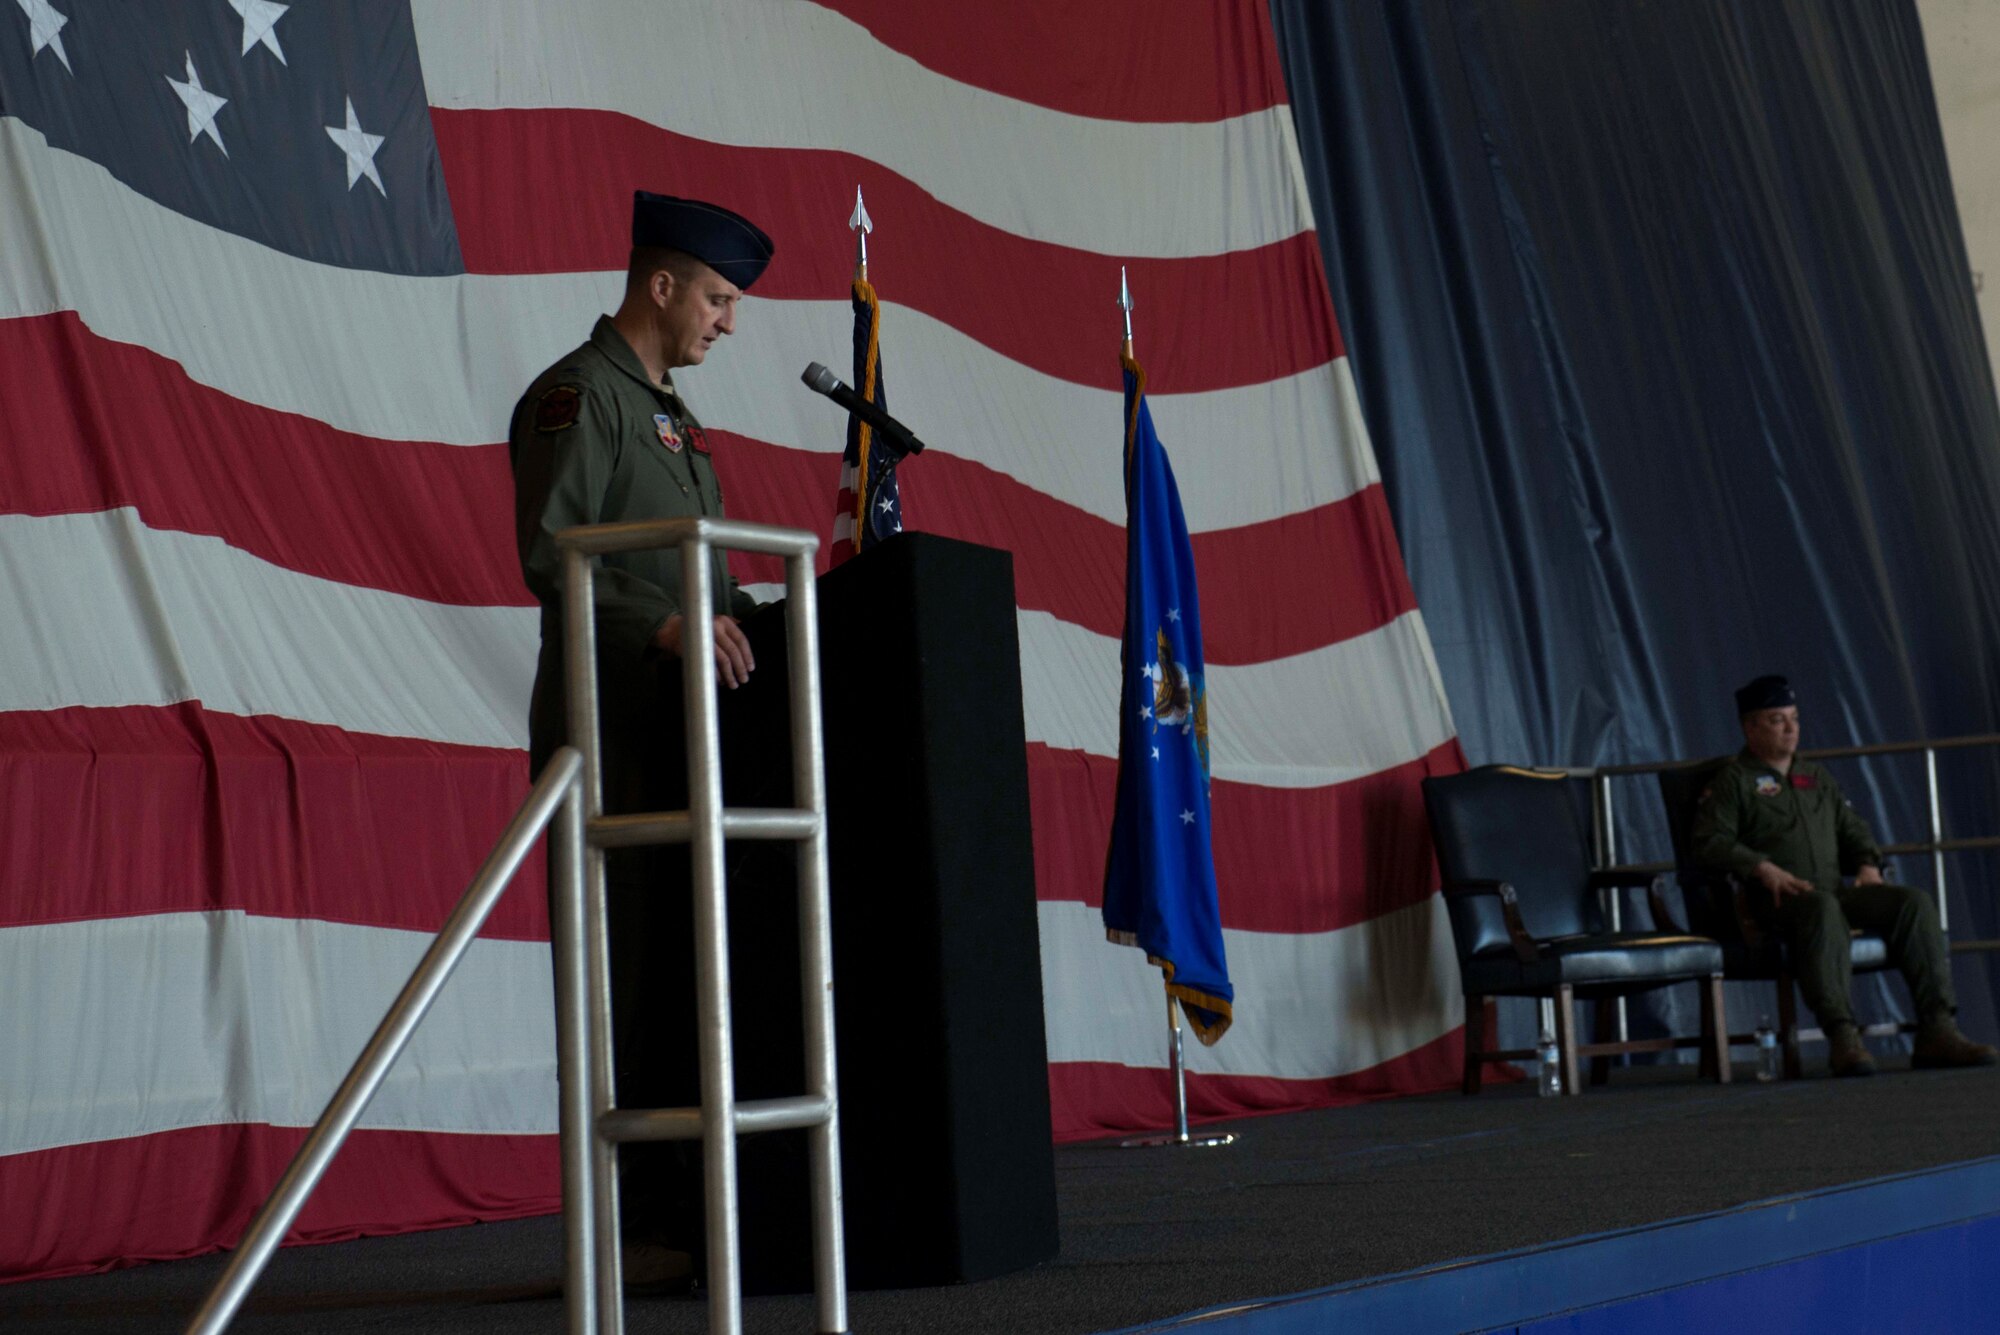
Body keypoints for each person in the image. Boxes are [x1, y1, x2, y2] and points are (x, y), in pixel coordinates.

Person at [508, 190, 775, 1282]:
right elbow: (556, 550)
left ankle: (681, 1223)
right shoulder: (579, 397)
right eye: (717, 297)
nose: (728, 321)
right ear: (659, 286)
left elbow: (692, 562)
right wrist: (664, 620)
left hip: (685, 729)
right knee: (624, 975)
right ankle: (619, 1237)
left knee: (685, 977)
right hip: (611, 720)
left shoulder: (670, 413)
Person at [1693, 675, 1997, 1076]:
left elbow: (1853, 828)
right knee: (1821, 908)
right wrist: (1761, 867)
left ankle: (1938, 1029)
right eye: (1777, 719)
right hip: (1777, 902)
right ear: (1751, 727)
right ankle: (1842, 1035)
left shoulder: (1815, 778)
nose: (1791, 728)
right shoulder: (1734, 782)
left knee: (1913, 903)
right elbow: (1709, 841)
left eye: (1795, 718)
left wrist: (1868, 864)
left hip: (1833, 891)